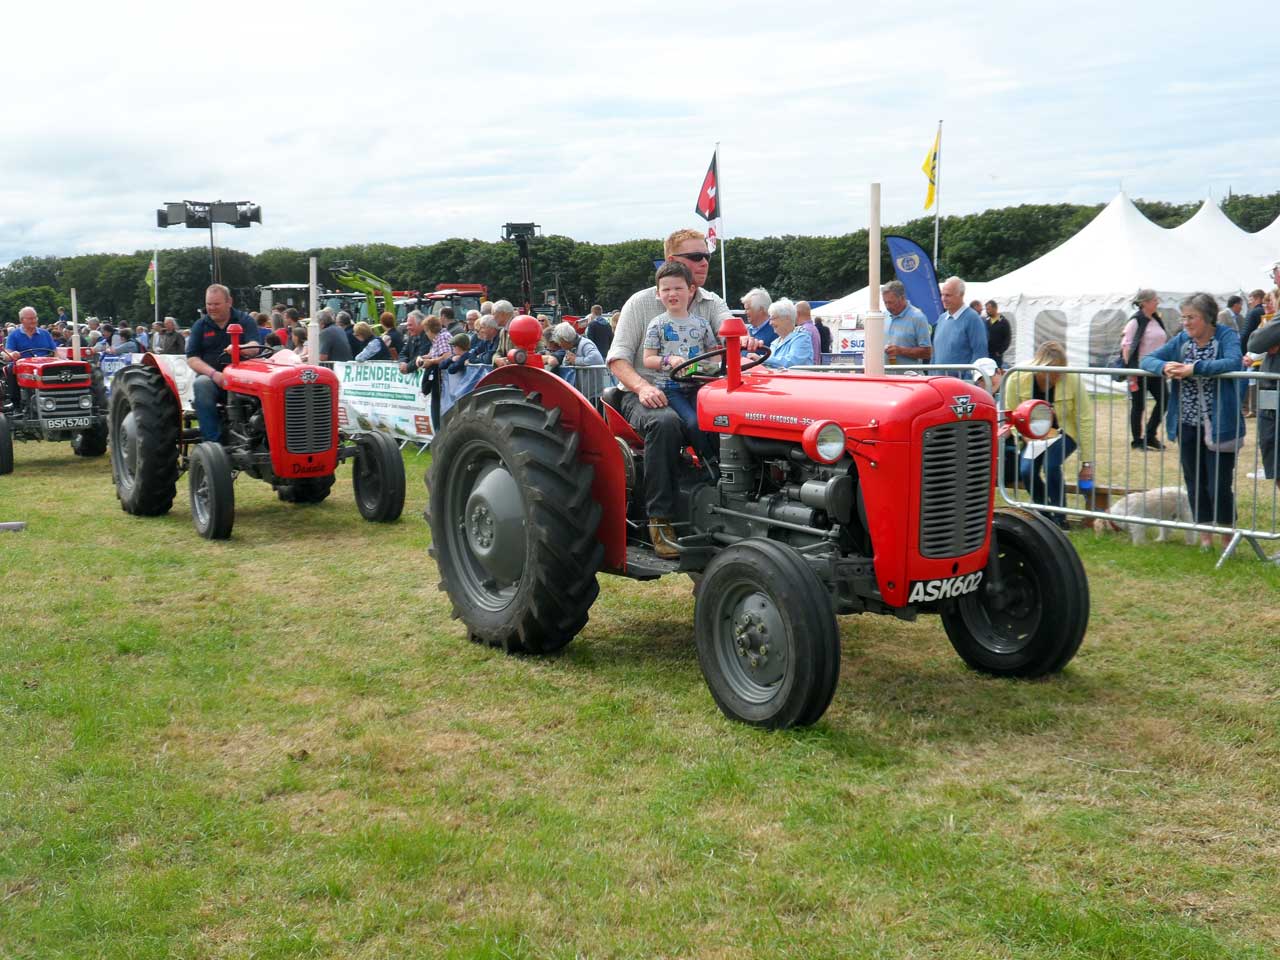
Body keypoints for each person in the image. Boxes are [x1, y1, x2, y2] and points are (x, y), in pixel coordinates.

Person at [607, 228, 736, 557]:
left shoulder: (712, 303)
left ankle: (731, 494)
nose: (704, 262)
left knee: (733, 415)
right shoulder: (641, 304)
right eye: (695, 257)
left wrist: (743, 343)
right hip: (646, 391)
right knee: (665, 423)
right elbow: (618, 360)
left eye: (706, 256)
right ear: (671, 261)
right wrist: (643, 385)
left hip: (699, 390)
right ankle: (660, 521)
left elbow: (729, 335)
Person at [1140, 293, 1245, 550]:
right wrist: (1164, 368)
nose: (1186, 323)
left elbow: (1232, 361)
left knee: (1218, 483)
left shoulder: (1226, 336)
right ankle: (1205, 537)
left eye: (1191, 317)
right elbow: (1147, 359)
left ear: (1207, 317)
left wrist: (1194, 368)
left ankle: (1226, 535)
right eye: (1184, 317)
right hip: (1187, 423)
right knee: (1194, 480)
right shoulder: (1182, 340)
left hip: (1220, 425)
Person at [1001, 341, 1095, 528]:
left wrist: (1087, 462)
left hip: (1064, 432)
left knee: (1051, 465)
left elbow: (1085, 418)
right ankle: (1045, 516)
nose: (1058, 376)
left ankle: (1061, 517)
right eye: (1053, 371)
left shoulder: (1072, 378)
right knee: (1026, 470)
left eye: (1061, 370)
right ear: (1039, 366)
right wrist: (1023, 436)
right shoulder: (1017, 377)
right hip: (1032, 435)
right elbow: (1010, 413)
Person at [642, 261, 720, 442]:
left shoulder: (702, 324)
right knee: (693, 422)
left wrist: (713, 369)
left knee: (714, 420)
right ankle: (708, 463)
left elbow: (713, 356)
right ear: (658, 293)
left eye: (678, 288)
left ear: (691, 289)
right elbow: (648, 359)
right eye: (666, 290)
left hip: (697, 386)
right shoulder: (657, 324)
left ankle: (719, 463)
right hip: (670, 388)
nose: (672, 294)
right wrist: (669, 359)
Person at [187, 284, 260, 442]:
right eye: (209, 304)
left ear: (229, 302)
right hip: (214, 380)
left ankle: (260, 436)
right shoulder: (200, 326)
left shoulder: (245, 320)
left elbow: (255, 347)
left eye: (216, 304)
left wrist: (240, 348)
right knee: (202, 384)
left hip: (243, 380)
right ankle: (213, 442)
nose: (211, 308)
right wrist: (215, 374)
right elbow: (192, 358)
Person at [1121, 288, 1169, 450]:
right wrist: (1131, 371)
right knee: (1139, 405)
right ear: (1145, 303)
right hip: (1139, 371)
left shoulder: (1156, 319)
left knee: (1165, 400)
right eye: (1155, 299)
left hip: (1156, 368)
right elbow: (1126, 345)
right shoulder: (1135, 321)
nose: (1157, 302)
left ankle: (1150, 435)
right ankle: (1137, 440)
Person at [1248, 314, 1280, 487]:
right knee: (1273, 460)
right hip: (1270, 397)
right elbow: (1257, 342)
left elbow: (1256, 341)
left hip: (1274, 394)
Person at [3, 306, 56, 407]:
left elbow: (54, 350)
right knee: (10, 368)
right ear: (22, 320)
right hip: (24, 366)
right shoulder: (14, 335)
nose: (34, 320)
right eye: (30, 318)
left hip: (45, 364)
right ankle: (16, 402)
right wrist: (13, 354)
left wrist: (58, 359)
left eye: (35, 318)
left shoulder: (45, 333)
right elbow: (8, 352)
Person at [932, 277, 988, 368]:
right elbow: (935, 353)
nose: (943, 299)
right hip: (938, 380)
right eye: (942, 295)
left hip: (960, 381)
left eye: (948, 295)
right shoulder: (942, 319)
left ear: (961, 295)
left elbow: (980, 353)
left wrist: (967, 379)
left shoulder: (973, 319)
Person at [751, 298, 813, 369]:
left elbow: (793, 363)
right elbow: (769, 366)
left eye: (773, 318)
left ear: (786, 318)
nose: (770, 323)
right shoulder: (775, 343)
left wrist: (762, 359)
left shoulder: (802, 338)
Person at [881, 280, 932, 366]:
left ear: (902, 298)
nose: (888, 306)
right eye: (885, 302)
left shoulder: (918, 317)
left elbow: (927, 352)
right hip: (887, 376)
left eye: (891, 302)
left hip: (909, 376)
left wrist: (901, 351)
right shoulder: (884, 316)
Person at [489, 300, 518, 365]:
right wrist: (497, 359)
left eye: (494, 314)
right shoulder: (502, 331)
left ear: (503, 314)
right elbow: (498, 352)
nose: (493, 318)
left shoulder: (519, 327)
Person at [984, 300, 1012, 368]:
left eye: (988, 309)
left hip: (997, 355)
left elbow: (1007, 339)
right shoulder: (986, 322)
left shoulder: (1003, 322)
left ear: (995, 308)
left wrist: (1000, 352)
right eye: (986, 309)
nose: (987, 311)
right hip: (987, 353)